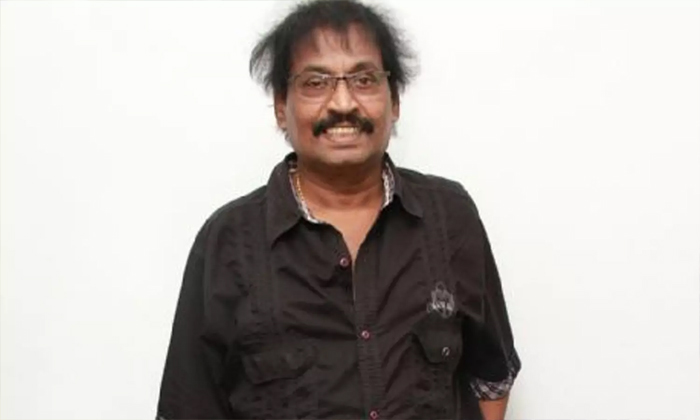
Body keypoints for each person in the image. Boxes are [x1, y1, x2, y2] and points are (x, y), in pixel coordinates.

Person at [156, 0, 521, 419]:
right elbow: (189, 407)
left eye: (365, 80)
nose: (343, 103)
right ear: (281, 107)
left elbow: (490, 377)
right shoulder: (228, 241)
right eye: (316, 82)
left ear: (394, 101)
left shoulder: (450, 217)